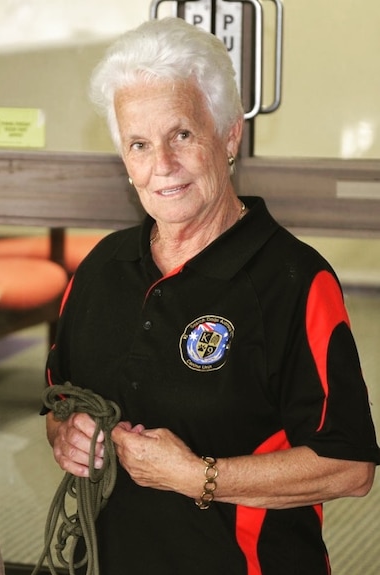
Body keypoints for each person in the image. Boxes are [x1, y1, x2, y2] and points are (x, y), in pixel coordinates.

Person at [44, 17, 380, 574]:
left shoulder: (294, 280)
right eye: (139, 144)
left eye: (181, 135)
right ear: (125, 162)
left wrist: (196, 475)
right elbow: (60, 402)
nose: (162, 167)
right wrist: (66, 437)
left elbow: (349, 467)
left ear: (228, 135)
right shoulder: (101, 269)